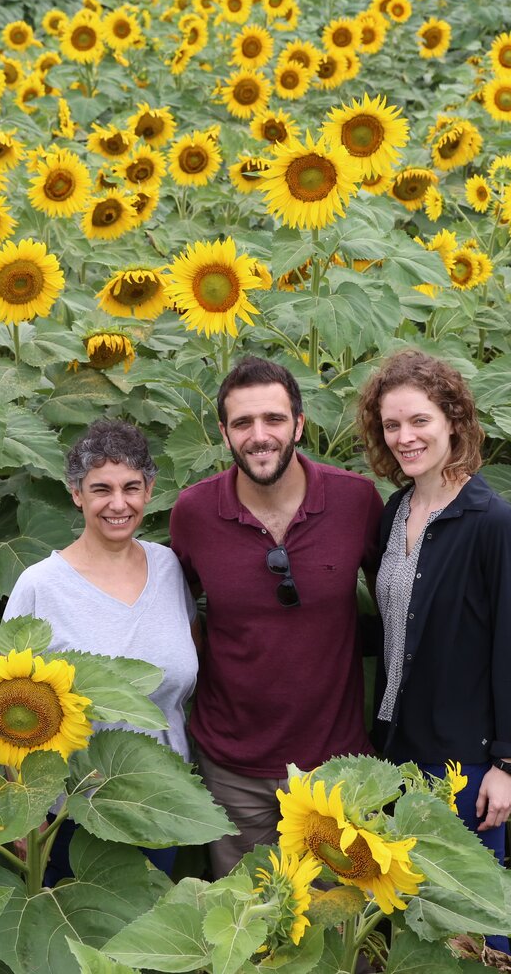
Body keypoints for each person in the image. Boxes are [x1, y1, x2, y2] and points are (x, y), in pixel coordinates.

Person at [170, 355, 384, 879]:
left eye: (274, 419)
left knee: (340, 926)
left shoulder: (355, 501)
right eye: (242, 423)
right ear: (223, 433)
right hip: (233, 768)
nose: (259, 435)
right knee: (248, 930)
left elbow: (398, 604)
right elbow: (171, 613)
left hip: (336, 765)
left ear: (300, 424)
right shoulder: (194, 513)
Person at [356, 349, 511, 953]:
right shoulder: (396, 511)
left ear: (453, 420)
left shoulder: (491, 522)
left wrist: (507, 765)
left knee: (473, 916)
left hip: (465, 760)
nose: (405, 437)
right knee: (416, 923)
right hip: (398, 749)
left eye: (420, 421)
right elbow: (394, 628)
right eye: (392, 426)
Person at [3, 419, 197, 881]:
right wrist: (24, 808)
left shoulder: (168, 567)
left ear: (149, 490)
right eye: (101, 489)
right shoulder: (41, 587)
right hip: (71, 813)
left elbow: (190, 658)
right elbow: (5, 707)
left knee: (149, 939)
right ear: (77, 494)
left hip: (159, 802)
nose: (118, 503)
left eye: (131, 487)